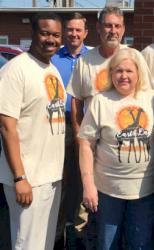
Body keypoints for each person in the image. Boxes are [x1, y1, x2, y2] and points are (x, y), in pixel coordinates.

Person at [78, 47, 154, 250]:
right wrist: (88, 185)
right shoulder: (100, 101)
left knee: (141, 244)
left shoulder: (153, 99)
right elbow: (85, 144)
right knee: (107, 244)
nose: (123, 76)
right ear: (111, 73)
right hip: (107, 191)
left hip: (144, 191)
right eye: (118, 71)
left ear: (138, 73)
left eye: (128, 71)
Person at [0, 12, 65, 250]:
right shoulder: (15, 70)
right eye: (45, 33)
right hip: (29, 178)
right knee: (26, 244)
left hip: (50, 176)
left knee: (44, 243)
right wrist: (20, 178)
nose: (51, 40)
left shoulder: (51, 69)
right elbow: (7, 127)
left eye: (56, 35)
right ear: (33, 33)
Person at [66, 6, 126, 249]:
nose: (112, 30)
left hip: (122, 148)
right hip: (92, 145)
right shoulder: (86, 62)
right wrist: (80, 136)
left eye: (117, 26)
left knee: (119, 203)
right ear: (99, 28)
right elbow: (76, 101)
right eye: (108, 25)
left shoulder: (133, 57)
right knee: (90, 203)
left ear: (123, 29)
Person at [51, 12, 89, 249]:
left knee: (84, 179)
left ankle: (80, 233)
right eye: (70, 30)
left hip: (86, 125)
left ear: (85, 33)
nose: (74, 34)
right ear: (65, 32)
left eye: (78, 30)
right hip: (58, 126)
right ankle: (56, 234)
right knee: (60, 182)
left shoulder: (93, 58)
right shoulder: (53, 58)